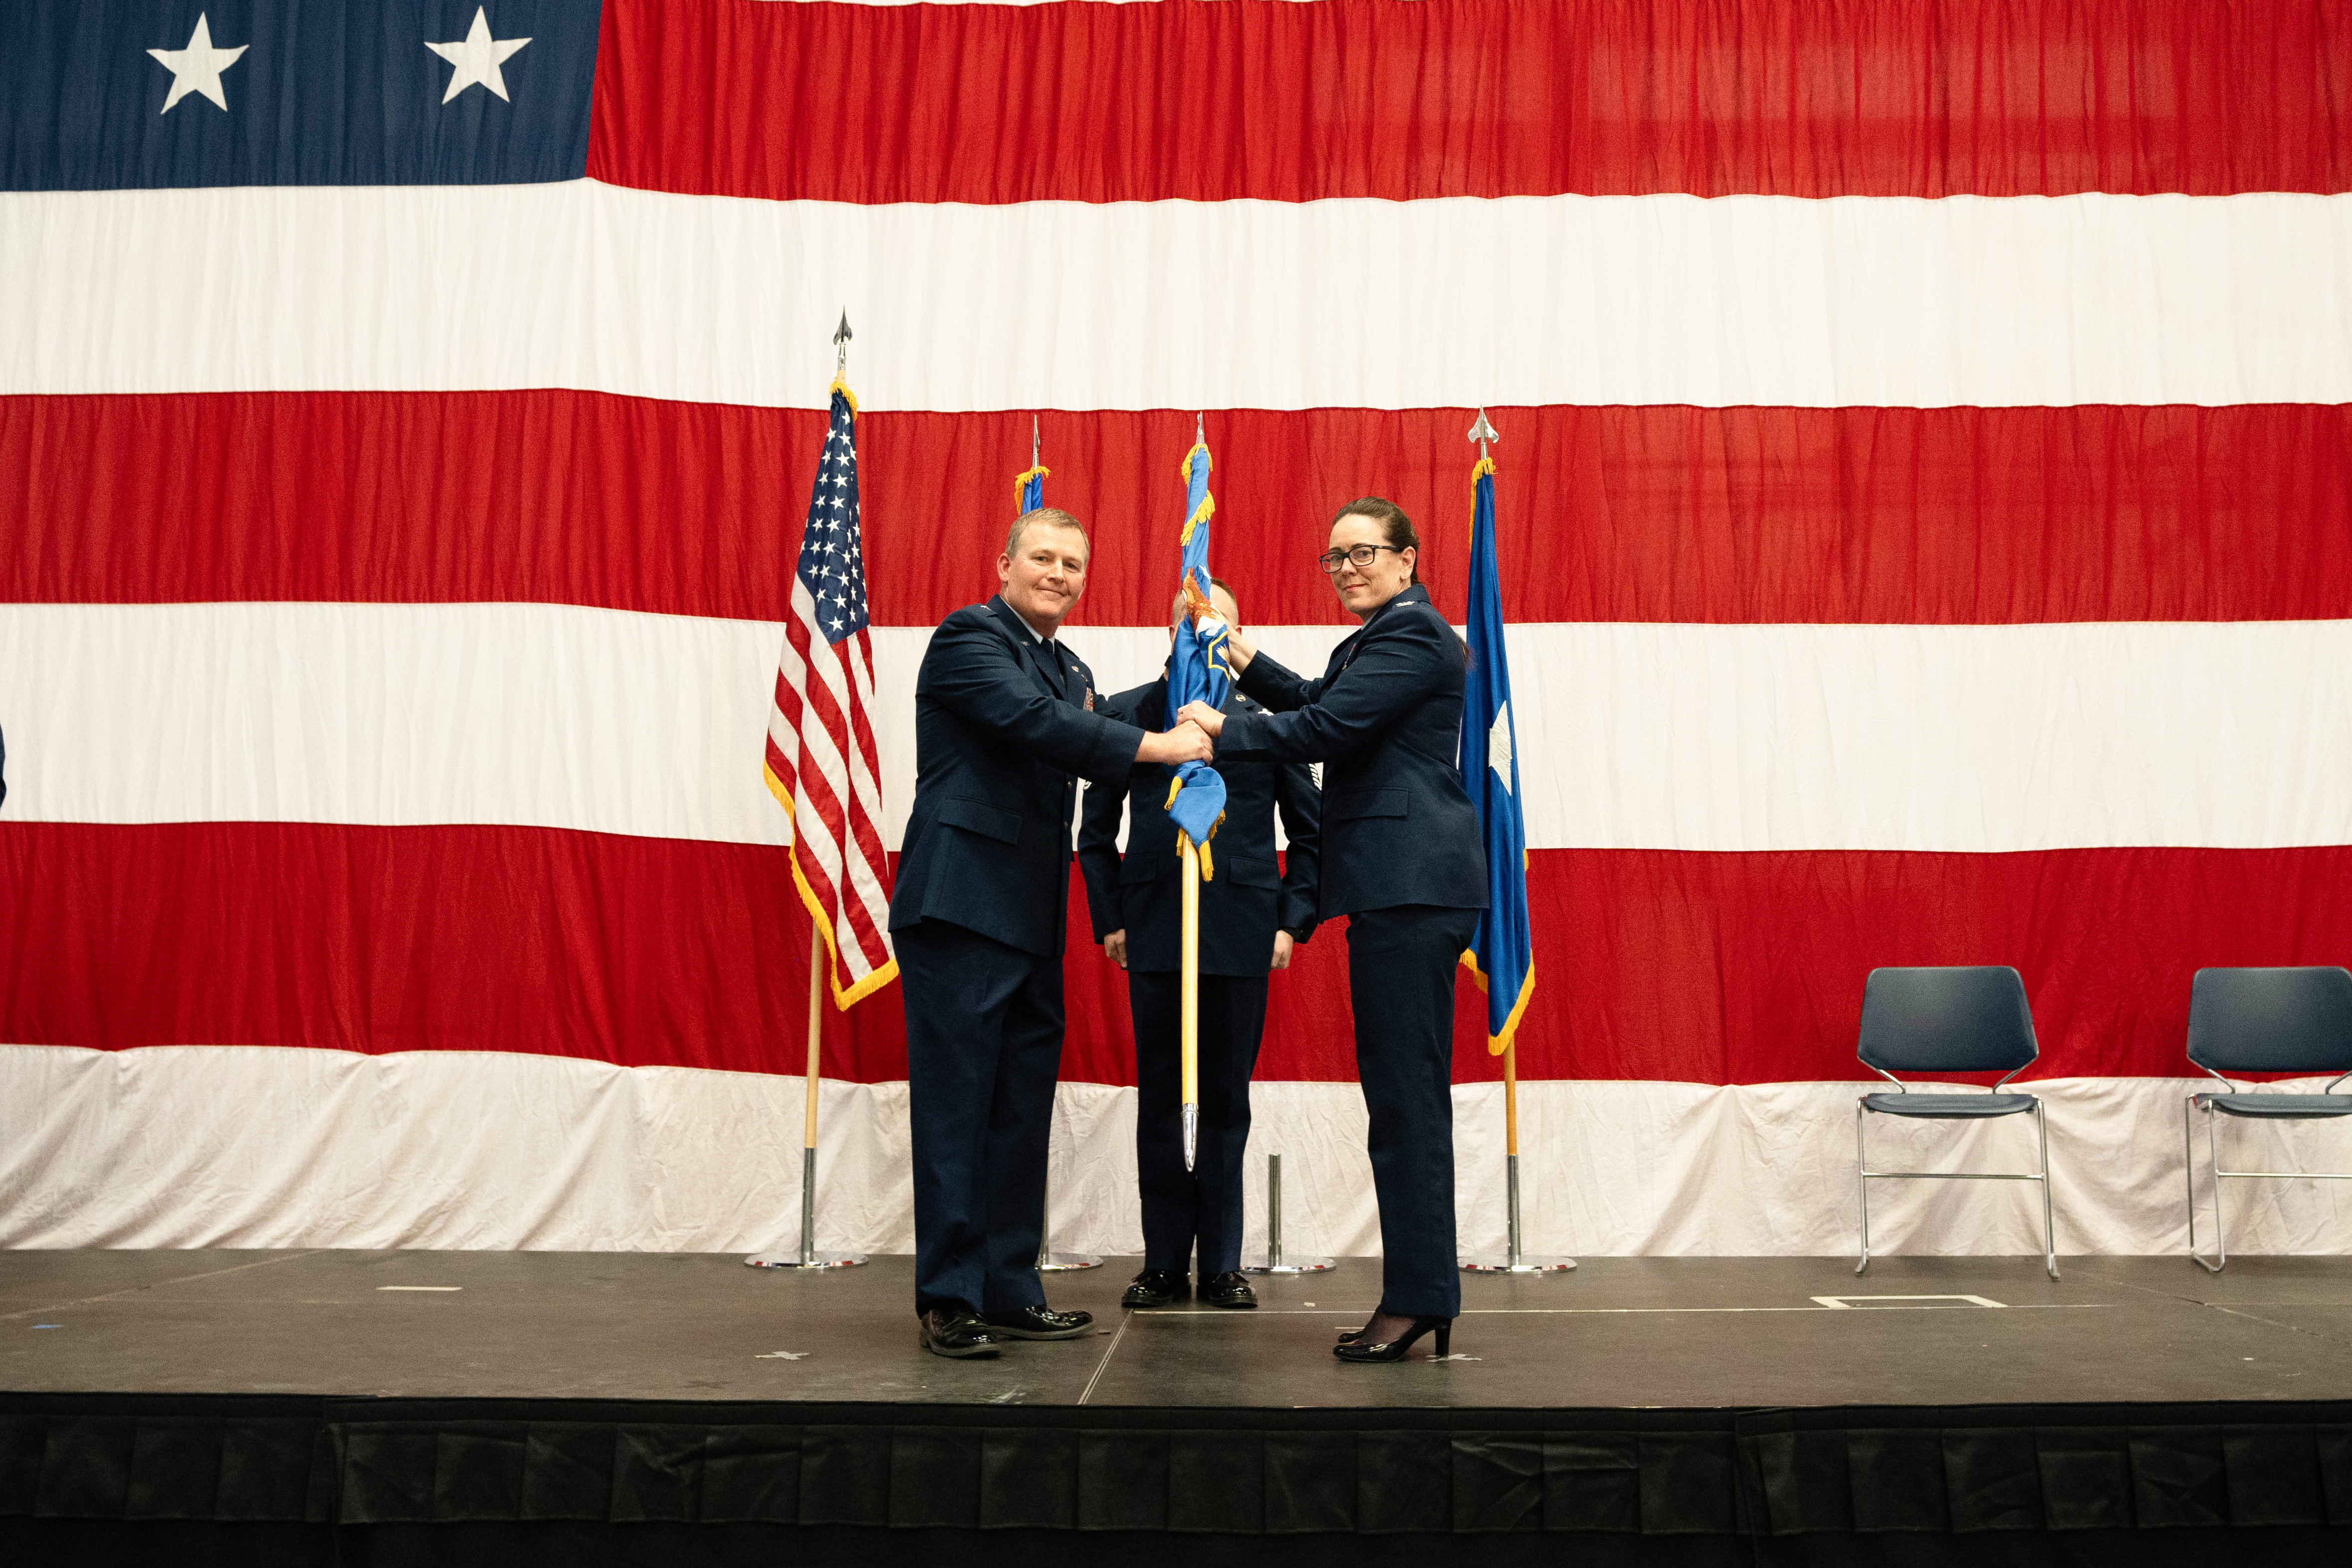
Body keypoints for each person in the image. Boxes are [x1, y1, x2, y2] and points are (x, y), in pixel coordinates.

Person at [891, 506, 1216, 1359]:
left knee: (1019, 1113)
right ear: (1004, 563)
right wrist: (1161, 742)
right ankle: (949, 1299)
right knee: (959, 1110)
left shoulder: (1069, 665)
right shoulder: (969, 638)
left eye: (1074, 563)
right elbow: (1045, 726)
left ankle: (1008, 1287)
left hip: (1032, 917)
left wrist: (1200, 658)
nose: (1059, 574)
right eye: (1044, 557)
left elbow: (1102, 723)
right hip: (959, 904)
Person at [1176, 497, 1486, 1363]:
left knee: (1406, 1103)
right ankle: (1423, 1293)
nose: (1347, 568)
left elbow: (1327, 728)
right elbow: (1319, 698)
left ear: (1408, 560)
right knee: (1399, 1097)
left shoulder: (1414, 634)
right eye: (1335, 556)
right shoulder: (1387, 635)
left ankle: (1420, 1296)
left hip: (1411, 886)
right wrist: (1240, 655)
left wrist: (1219, 726)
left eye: (1364, 553)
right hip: (1400, 888)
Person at [1077, 579, 1322, 1313]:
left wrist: (1290, 922)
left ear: (1235, 636)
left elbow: (1310, 836)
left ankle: (1219, 1263)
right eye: (1190, 620)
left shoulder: (1267, 724)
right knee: (1161, 1098)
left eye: (1215, 623)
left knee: (1224, 1101)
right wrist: (1111, 917)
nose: (1200, 633)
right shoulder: (1129, 716)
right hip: (1152, 930)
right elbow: (1094, 836)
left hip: (1242, 932)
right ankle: (1161, 1262)